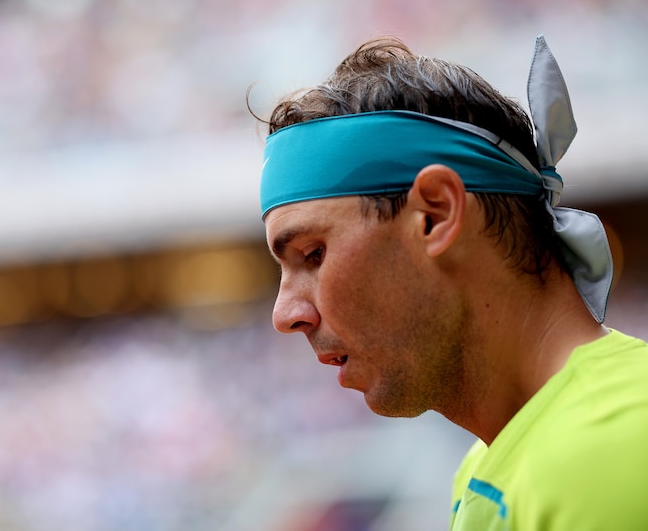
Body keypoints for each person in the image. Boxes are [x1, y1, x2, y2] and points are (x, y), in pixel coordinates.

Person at [257, 35, 648, 530]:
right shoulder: (491, 460)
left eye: (313, 254)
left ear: (436, 214)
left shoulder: (610, 450)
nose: (286, 314)